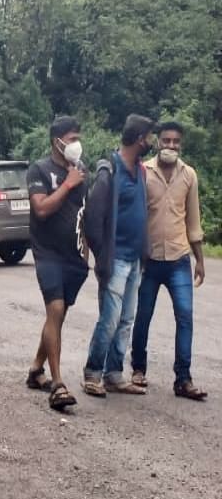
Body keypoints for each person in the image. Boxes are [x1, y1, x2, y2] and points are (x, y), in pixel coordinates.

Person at [131, 121, 208, 401]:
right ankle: (138, 370)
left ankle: (183, 379)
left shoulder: (189, 176)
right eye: (166, 140)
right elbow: (135, 215)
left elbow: (193, 221)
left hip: (178, 260)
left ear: (181, 144)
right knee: (143, 316)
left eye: (176, 141)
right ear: (158, 142)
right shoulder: (143, 172)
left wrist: (199, 260)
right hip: (149, 260)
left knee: (185, 316)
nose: (171, 146)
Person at [81, 114, 155, 397]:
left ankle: (114, 374)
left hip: (135, 258)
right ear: (139, 139)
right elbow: (93, 218)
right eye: (149, 137)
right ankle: (92, 373)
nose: (151, 142)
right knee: (109, 320)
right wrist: (102, 255)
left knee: (126, 320)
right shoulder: (108, 171)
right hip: (116, 259)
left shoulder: (141, 170)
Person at [24, 116, 89, 412]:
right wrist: (67, 183)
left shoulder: (81, 171)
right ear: (57, 141)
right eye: (72, 138)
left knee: (57, 317)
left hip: (74, 257)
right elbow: (41, 209)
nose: (76, 144)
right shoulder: (39, 169)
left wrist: (89, 252)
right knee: (56, 309)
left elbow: (84, 214)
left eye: (78, 138)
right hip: (47, 253)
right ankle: (58, 383)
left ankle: (36, 369)